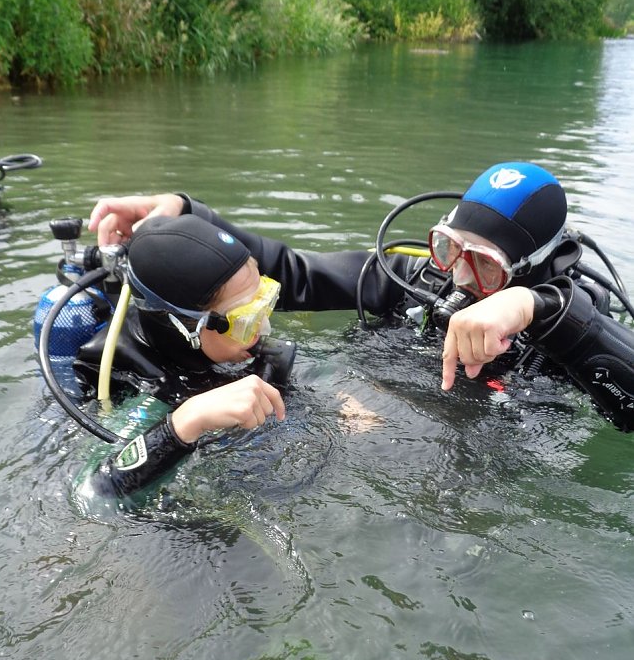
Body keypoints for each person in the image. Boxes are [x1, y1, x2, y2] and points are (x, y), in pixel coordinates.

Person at [70, 162, 633, 501]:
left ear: (533, 267)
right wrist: (188, 215)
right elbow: (290, 273)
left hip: (472, 487)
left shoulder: (574, 332)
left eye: (484, 267)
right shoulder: (415, 281)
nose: (458, 277)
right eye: (449, 249)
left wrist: (538, 310)